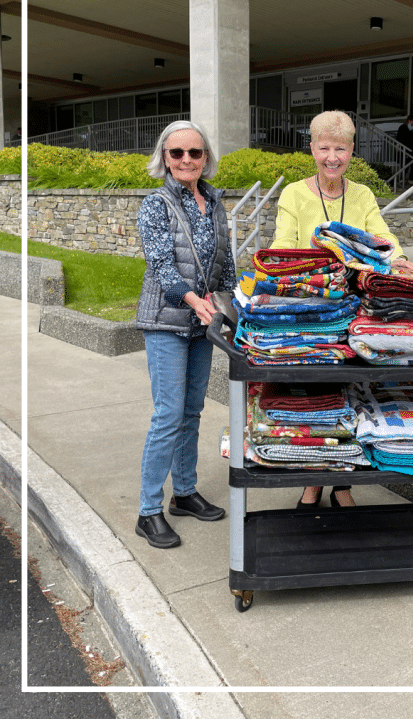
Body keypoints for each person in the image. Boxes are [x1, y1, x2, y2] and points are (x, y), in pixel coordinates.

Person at [271, 109, 413, 509]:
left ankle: (342, 483)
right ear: (312, 149)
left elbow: (381, 234)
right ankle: (314, 477)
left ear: (352, 151)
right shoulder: (294, 194)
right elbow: (284, 246)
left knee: (354, 388)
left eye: (340, 148)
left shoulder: (363, 195)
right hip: (313, 306)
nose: (332, 157)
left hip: (357, 304)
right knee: (318, 391)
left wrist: (397, 256)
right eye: (324, 148)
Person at [135, 120, 237, 548]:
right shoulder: (155, 204)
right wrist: (195, 301)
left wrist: (231, 304)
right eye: (176, 154)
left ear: (206, 158)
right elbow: (162, 264)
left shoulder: (214, 201)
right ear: (164, 158)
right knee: (168, 414)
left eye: (194, 153)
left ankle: (185, 493)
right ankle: (147, 510)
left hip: (203, 322)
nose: (186, 160)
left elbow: (225, 261)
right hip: (167, 320)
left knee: (193, 410)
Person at [395, 114, 413, 183]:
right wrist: (412, 133)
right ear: (409, 121)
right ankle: (403, 179)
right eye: (412, 122)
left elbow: (412, 141)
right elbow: (404, 139)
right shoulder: (403, 127)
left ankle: (409, 179)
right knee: (405, 165)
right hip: (405, 150)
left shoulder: (409, 129)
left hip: (410, 150)